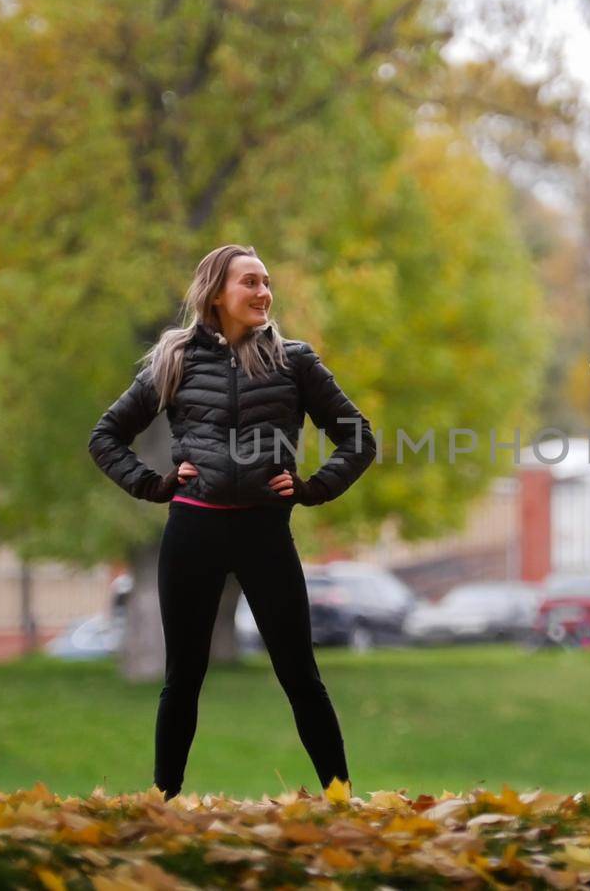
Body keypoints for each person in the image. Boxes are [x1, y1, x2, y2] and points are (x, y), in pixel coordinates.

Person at [88, 243, 376, 800]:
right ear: (217, 292)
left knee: (302, 679)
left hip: (264, 535)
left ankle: (342, 802)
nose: (264, 292)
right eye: (251, 282)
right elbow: (106, 436)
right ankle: (161, 804)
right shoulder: (175, 360)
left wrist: (315, 489)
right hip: (194, 531)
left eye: (267, 282)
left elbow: (358, 437)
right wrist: (155, 485)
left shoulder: (295, 361)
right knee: (183, 681)